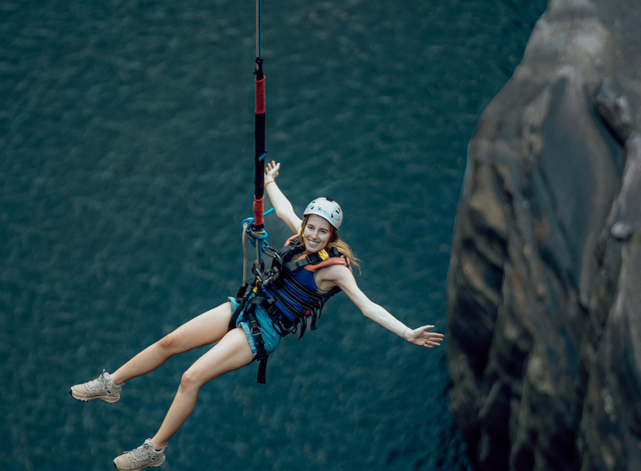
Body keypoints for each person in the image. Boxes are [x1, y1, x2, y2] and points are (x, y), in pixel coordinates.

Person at [69, 160, 444, 470]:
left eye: (321, 231)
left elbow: (367, 305)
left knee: (191, 377)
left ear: (331, 236)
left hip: (261, 330)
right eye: (310, 227)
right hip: (247, 305)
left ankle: (154, 450)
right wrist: (268, 181)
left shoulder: (335, 270)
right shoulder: (299, 237)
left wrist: (406, 332)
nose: (312, 235)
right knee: (169, 342)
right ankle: (111, 384)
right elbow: (282, 209)